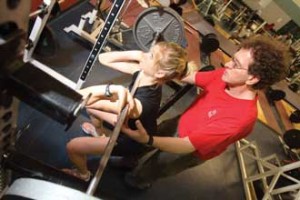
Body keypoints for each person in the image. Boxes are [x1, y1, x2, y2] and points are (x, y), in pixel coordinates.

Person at [121, 35, 291, 189]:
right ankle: (129, 160)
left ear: (253, 78)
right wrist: (164, 62)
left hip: (189, 150)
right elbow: (191, 77)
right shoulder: (225, 75)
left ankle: (138, 182)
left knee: (154, 167)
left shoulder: (241, 119)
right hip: (180, 122)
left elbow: (186, 145)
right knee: (141, 145)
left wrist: (148, 139)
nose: (227, 64)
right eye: (233, 59)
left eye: (236, 65)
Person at [63, 42, 191, 181]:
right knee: (91, 108)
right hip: (127, 122)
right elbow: (103, 58)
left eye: (151, 55)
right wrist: (134, 54)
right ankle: (100, 135)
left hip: (132, 140)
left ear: (160, 72)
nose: (144, 55)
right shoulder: (143, 74)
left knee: (73, 147)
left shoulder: (143, 104)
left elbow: (83, 98)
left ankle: (83, 175)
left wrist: (112, 90)